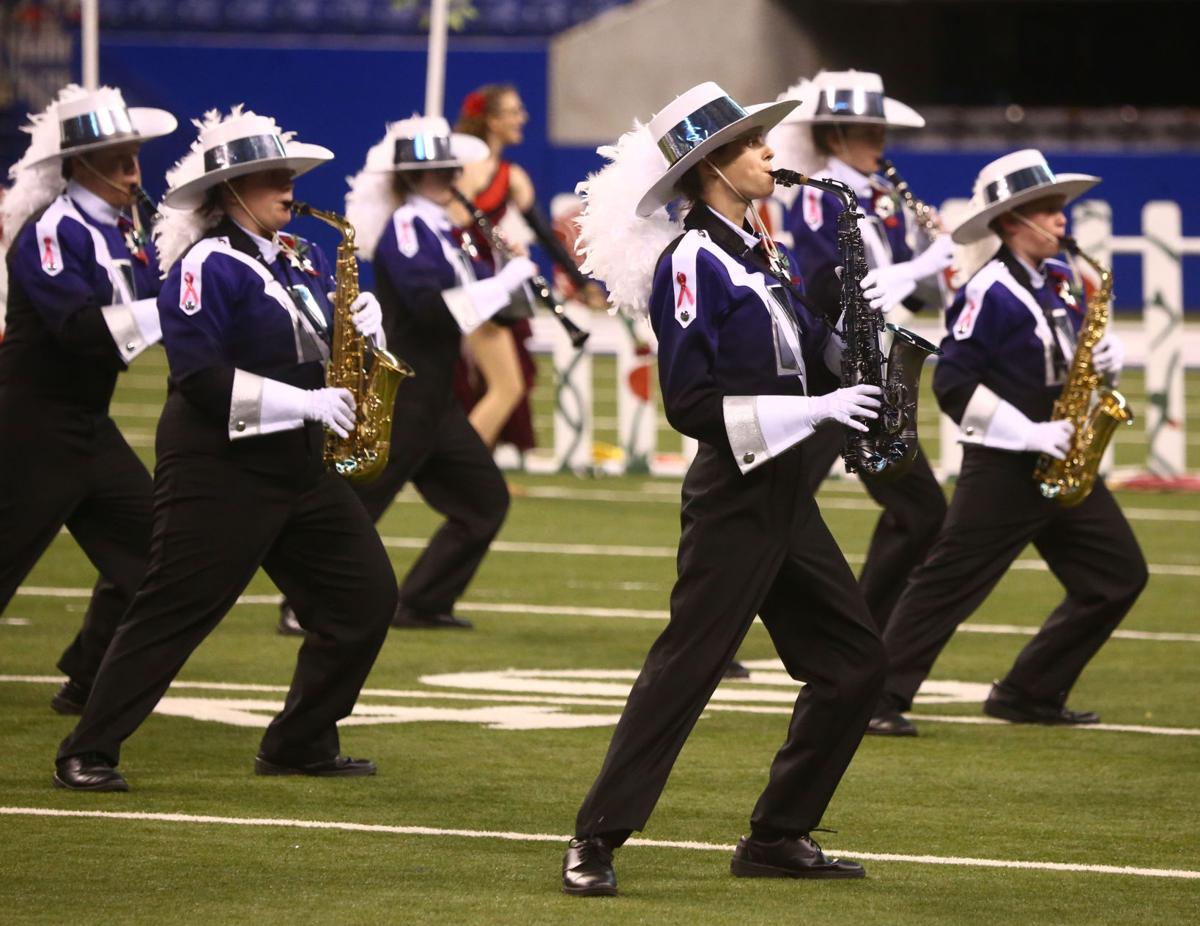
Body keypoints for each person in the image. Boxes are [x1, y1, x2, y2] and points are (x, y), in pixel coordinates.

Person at [560, 82, 888, 896]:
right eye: (751, 146)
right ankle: (594, 838)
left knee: (854, 665)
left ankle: (778, 834)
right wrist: (815, 405)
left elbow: (812, 353)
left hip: (784, 495)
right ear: (711, 167)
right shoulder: (693, 260)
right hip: (735, 495)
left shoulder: (760, 253)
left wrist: (858, 325)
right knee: (689, 668)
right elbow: (690, 404)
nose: (770, 155)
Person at [53, 107, 398, 790]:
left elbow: (331, 358)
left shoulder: (302, 258)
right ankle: (87, 749)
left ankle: (300, 740)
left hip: (298, 464)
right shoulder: (205, 264)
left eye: (288, 176)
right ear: (229, 191)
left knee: (364, 598)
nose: (288, 189)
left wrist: (368, 327)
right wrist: (304, 403)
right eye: (271, 178)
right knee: (173, 610)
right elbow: (200, 378)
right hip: (220, 466)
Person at [868, 149, 1148, 736]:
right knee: (946, 586)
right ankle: (874, 698)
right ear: (1010, 221)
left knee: (1118, 576)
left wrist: (1105, 365)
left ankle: (1029, 690)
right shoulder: (987, 291)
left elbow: (1066, 367)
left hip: (1062, 459)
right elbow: (952, 384)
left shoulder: (1064, 281)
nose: (1060, 220)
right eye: (1045, 211)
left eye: (1057, 209)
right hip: (1003, 465)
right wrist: (1029, 433)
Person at [0, 84, 176, 714]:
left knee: (154, 550)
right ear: (79, 165)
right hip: (29, 428)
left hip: (87, 425)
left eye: (136, 157)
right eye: (120, 160)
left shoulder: (125, 230)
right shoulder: (51, 230)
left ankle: (87, 676)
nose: (134, 172)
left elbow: (159, 300)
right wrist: (174, 310)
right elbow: (77, 330)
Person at [769, 70, 954, 657]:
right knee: (773, 510)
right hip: (831, 372)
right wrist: (916, 269)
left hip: (870, 370)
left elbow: (914, 295)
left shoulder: (883, 199)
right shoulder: (823, 195)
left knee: (919, 510)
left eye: (881, 129)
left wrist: (939, 259)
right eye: (869, 130)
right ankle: (718, 625)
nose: (881, 141)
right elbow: (834, 287)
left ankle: (860, 636)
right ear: (837, 134)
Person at [333, 114, 534, 631]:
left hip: (437, 396)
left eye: (450, 169)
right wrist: (506, 279)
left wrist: (506, 277)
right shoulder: (406, 226)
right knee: (357, 506)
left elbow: (470, 303)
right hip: (404, 391)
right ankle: (304, 600)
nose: (448, 178)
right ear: (408, 179)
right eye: (434, 172)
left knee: (483, 501)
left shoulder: (443, 228)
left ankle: (422, 600)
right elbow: (433, 307)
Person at [453, 84, 608, 453]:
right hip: (468, 283)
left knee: (504, 381)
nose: (522, 118)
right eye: (513, 111)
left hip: (495, 283)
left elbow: (546, 236)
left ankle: (478, 472)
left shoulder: (512, 174)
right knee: (496, 383)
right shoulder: (467, 171)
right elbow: (451, 227)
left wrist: (581, 282)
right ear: (491, 120)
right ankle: (465, 472)